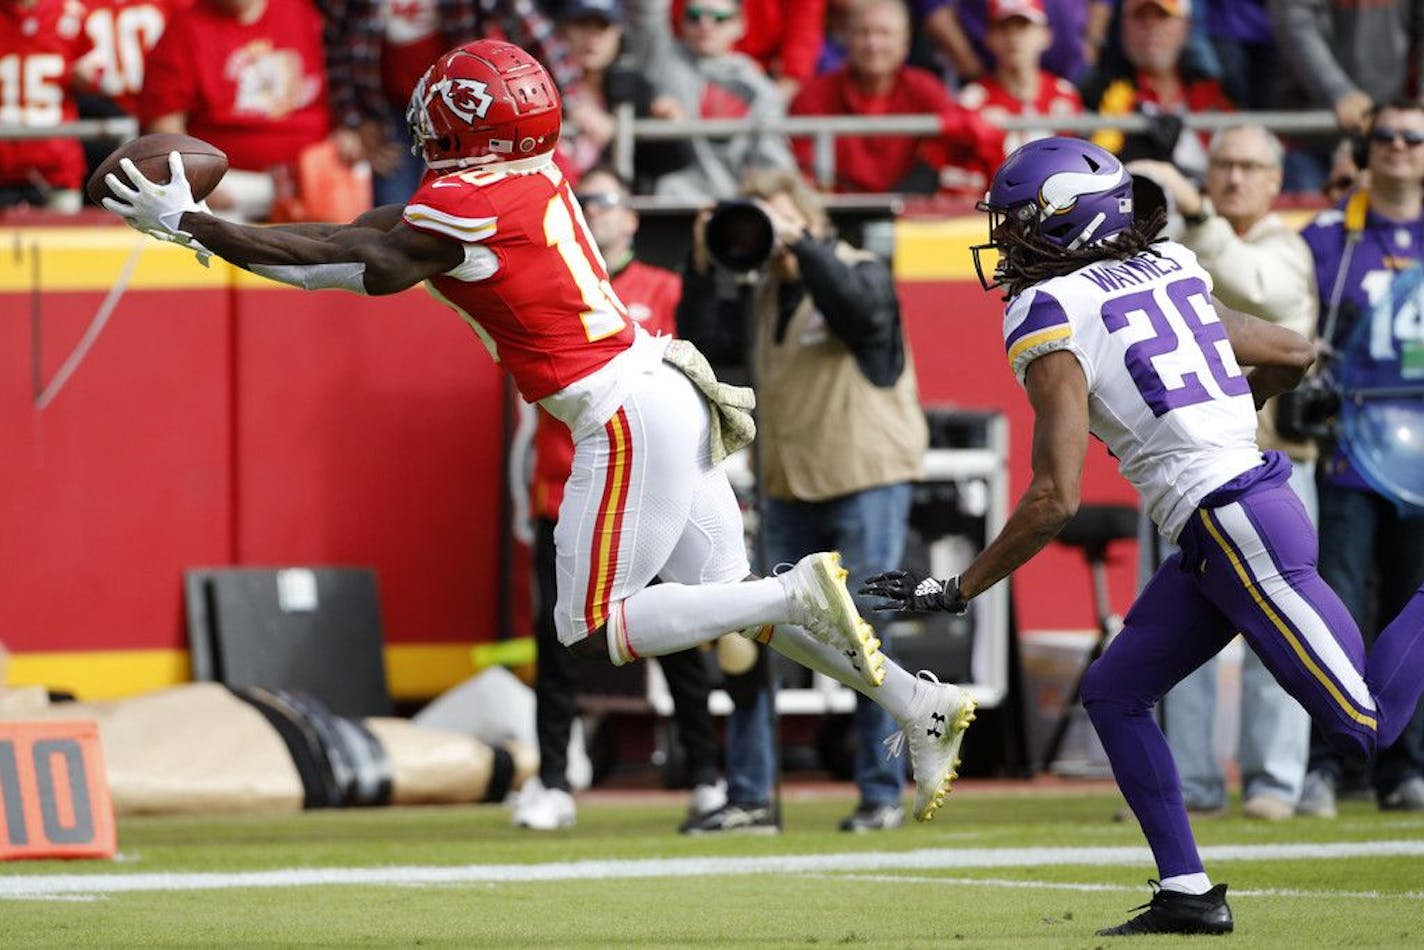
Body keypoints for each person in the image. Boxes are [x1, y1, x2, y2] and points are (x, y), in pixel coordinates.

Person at [99, 37, 976, 826]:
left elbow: (356, 259)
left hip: (621, 409)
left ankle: (794, 591)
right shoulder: (525, 176)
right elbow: (352, 244)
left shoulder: (466, 204)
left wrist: (195, 225)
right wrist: (210, 233)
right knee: (727, 603)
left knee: (596, 626)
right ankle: (916, 705)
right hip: (658, 387)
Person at [861, 135, 1424, 935]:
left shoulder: (1045, 309)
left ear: (1066, 222)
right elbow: (1295, 350)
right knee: (1116, 691)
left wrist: (956, 587)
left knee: (1361, 729)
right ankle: (1188, 892)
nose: (1006, 239)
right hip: (1222, 521)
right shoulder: (1172, 264)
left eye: (1019, 222)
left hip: (1234, 522)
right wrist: (1239, 401)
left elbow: (1055, 497)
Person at [677, 169, 928, 833]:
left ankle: (880, 796)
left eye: (778, 218)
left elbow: (860, 314)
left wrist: (803, 244)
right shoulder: (762, 290)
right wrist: (706, 265)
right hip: (789, 487)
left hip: (864, 480)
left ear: (811, 218)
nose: (770, 235)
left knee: (864, 632)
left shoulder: (859, 267)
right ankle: (754, 796)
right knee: (760, 635)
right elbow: (702, 348)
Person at [514, 165, 727, 831]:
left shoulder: (664, 289)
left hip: (649, 488)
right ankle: (552, 781)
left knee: (685, 638)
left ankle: (708, 776)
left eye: (604, 202)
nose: (596, 214)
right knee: (557, 646)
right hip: (565, 486)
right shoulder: (551, 291)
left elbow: (705, 360)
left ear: (630, 217)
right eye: (585, 204)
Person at [1128, 123, 1317, 821]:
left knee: (1281, 628)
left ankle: (1274, 780)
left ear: (1275, 178)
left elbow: (1251, 293)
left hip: (1275, 465)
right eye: (1221, 167)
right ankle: (1194, 782)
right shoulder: (1181, 249)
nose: (1234, 179)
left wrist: (1197, 216)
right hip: (1189, 471)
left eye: (1248, 167)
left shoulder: (1283, 246)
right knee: (1177, 637)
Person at [1294, 99, 1424, 817]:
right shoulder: (1327, 239)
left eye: (1415, 137)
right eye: (1388, 137)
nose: (1401, 147)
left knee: (1414, 611)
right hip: (1349, 448)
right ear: (1365, 147)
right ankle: (1327, 762)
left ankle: (1403, 765)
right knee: (1334, 608)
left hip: (1423, 459)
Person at [321, 0, 584, 207]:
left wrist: (571, 97)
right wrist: (354, 119)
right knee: (398, 210)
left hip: (467, 113)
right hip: (391, 114)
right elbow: (335, 42)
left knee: (477, 203)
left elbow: (530, 26)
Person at [134, 0, 340, 221]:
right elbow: (165, 127)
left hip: (314, 175)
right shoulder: (185, 28)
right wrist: (194, 183)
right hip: (229, 183)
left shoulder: (309, 11)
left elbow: (349, 82)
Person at [788, 0, 999, 196]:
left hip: (910, 217)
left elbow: (960, 139)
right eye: (863, 33)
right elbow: (803, 171)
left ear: (905, 44)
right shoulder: (814, 96)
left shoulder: (925, 89)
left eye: (884, 33)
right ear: (847, 40)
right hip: (837, 215)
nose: (873, 44)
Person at [623, 0, 795, 199]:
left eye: (719, 18)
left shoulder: (759, 89)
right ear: (682, 20)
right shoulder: (661, 61)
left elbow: (774, 166)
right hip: (669, 207)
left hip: (734, 209)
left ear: (740, 25)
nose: (705, 25)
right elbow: (647, 13)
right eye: (694, 16)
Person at [1082, 0, 1232, 185]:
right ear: (1123, 25)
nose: (1151, 26)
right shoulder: (1096, 93)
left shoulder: (1213, 92)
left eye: (1163, 16)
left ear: (1186, 26)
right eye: (1140, 17)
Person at [955, 0, 1083, 163]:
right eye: (1003, 28)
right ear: (989, 38)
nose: (1013, 38)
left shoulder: (1066, 95)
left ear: (1046, 36)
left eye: (1023, 27)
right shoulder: (971, 101)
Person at [0, 0, 94, 212]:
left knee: (65, 241)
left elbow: (101, 77)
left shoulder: (71, 14)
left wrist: (88, 78)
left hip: (56, 165)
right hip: (5, 164)